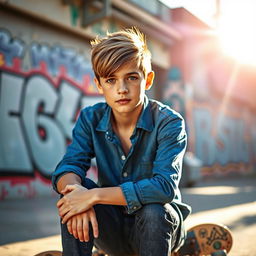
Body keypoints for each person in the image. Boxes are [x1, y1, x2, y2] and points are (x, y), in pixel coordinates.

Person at [52, 27, 191, 256]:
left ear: (148, 80)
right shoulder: (90, 118)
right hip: (111, 232)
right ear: (99, 85)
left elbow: (164, 187)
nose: (122, 89)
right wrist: (76, 193)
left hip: (160, 229)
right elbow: (69, 166)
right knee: (73, 198)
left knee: (154, 211)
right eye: (110, 80)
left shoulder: (169, 122)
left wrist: (93, 196)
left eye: (132, 77)